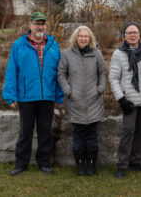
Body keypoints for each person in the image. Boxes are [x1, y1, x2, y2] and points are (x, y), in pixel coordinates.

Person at [2, 11, 64, 176]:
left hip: (47, 96)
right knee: (25, 132)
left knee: (45, 132)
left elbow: (59, 72)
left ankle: (43, 163)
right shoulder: (19, 45)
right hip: (26, 96)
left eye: (42, 23)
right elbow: (11, 71)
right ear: (30, 25)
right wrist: (10, 95)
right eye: (37, 23)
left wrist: (59, 94)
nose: (40, 26)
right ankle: (21, 163)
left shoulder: (53, 44)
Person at [57, 25, 107, 176]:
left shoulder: (96, 53)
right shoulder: (67, 54)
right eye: (81, 36)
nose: (83, 38)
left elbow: (103, 72)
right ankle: (79, 165)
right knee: (78, 136)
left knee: (92, 137)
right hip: (75, 102)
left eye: (86, 36)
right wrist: (68, 91)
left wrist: (100, 89)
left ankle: (91, 165)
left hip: (94, 101)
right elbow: (60, 73)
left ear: (90, 38)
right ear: (76, 38)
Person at [109, 22, 141, 179]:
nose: (132, 35)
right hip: (128, 101)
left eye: (135, 32)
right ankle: (122, 165)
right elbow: (114, 78)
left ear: (139, 35)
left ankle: (136, 163)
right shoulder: (118, 53)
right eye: (129, 32)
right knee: (128, 132)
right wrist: (121, 99)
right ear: (124, 36)